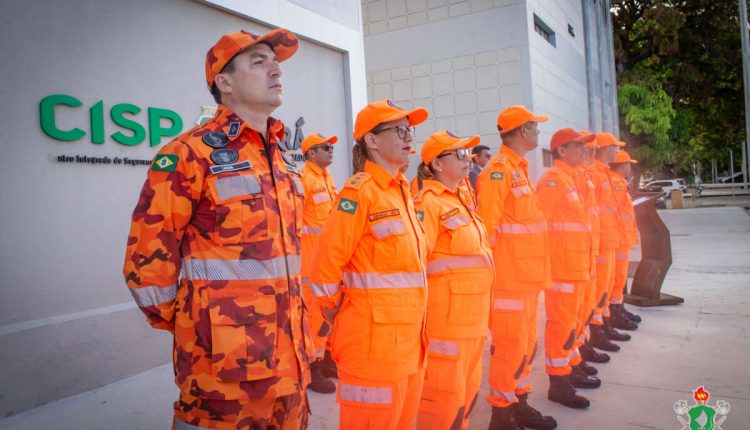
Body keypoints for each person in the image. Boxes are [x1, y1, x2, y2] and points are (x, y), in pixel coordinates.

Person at [123, 29, 313, 428]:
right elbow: (146, 263)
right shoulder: (189, 153)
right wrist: (197, 328)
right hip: (224, 373)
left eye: (275, 61)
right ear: (224, 83)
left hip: (291, 361)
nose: (276, 68)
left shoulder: (282, 159)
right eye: (258, 61)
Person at [308, 99, 430, 429]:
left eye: (411, 130)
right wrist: (335, 313)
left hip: (410, 347)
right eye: (399, 130)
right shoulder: (359, 193)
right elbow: (324, 269)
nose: (409, 137)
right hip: (372, 350)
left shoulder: (400, 193)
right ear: (371, 141)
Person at [476, 105, 556, 430]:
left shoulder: (518, 169)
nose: (538, 132)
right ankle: (502, 413)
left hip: (526, 279)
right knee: (509, 347)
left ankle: (519, 402)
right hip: (509, 281)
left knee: (525, 345)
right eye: (535, 127)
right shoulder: (498, 172)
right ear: (522, 131)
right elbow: (487, 230)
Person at [413, 131, 494, 429]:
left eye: (468, 154)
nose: (467, 159)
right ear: (435, 163)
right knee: (443, 403)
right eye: (458, 154)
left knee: (465, 401)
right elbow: (416, 263)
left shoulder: (460, 201)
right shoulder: (427, 204)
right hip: (446, 326)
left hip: (472, 322)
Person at [535, 128, 599, 410]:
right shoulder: (553, 181)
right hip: (561, 268)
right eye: (578, 146)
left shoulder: (570, 179)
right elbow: (542, 227)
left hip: (575, 265)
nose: (584, 151)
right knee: (561, 325)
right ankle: (559, 383)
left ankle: (570, 368)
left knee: (572, 322)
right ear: (561, 150)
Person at [299, 132, 339, 393]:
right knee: (312, 315)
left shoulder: (327, 179)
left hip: (326, 262)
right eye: (326, 147)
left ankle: (326, 360)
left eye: (331, 147)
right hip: (309, 263)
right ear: (311, 153)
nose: (331, 151)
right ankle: (311, 367)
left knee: (327, 312)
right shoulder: (304, 179)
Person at [588, 132, 631, 352]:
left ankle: (603, 326)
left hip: (610, 239)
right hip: (601, 241)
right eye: (615, 147)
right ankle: (597, 331)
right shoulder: (594, 173)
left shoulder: (603, 173)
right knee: (599, 290)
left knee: (606, 287)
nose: (617, 151)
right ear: (606, 149)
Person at [576, 132, 612, 366]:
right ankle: (576, 356)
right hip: (574, 258)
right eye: (586, 149)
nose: (589, 153)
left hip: (593, 248)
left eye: (592, 150)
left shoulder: (584, 176)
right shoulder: (561, 179)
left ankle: (585, 345)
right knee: (574, 314)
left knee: (590, 302)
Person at [608, 150, 641, 328]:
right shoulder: (616, 183)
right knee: (617, 278)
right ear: (621, 166)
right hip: (618, 239)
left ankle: (619, 308)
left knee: (619, 278)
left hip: (621, 238)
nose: (629, 168)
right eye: (628, 164)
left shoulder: (619, 182)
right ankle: (615, 312)